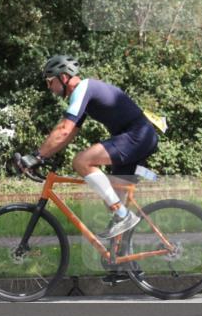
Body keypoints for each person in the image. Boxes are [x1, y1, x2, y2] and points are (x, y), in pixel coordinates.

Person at [18, 54, 158, 240]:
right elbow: (70, 133)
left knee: (81, 161)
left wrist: (36, 156)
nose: (49, 87)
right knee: (112, 200)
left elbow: (64, 130)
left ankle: (123, 216)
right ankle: (124, 253)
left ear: (63, 77)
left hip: (137, 136)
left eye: (50, 81)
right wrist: (45, 156)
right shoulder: (84, 93)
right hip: (138, 136)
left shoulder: (84, 88)